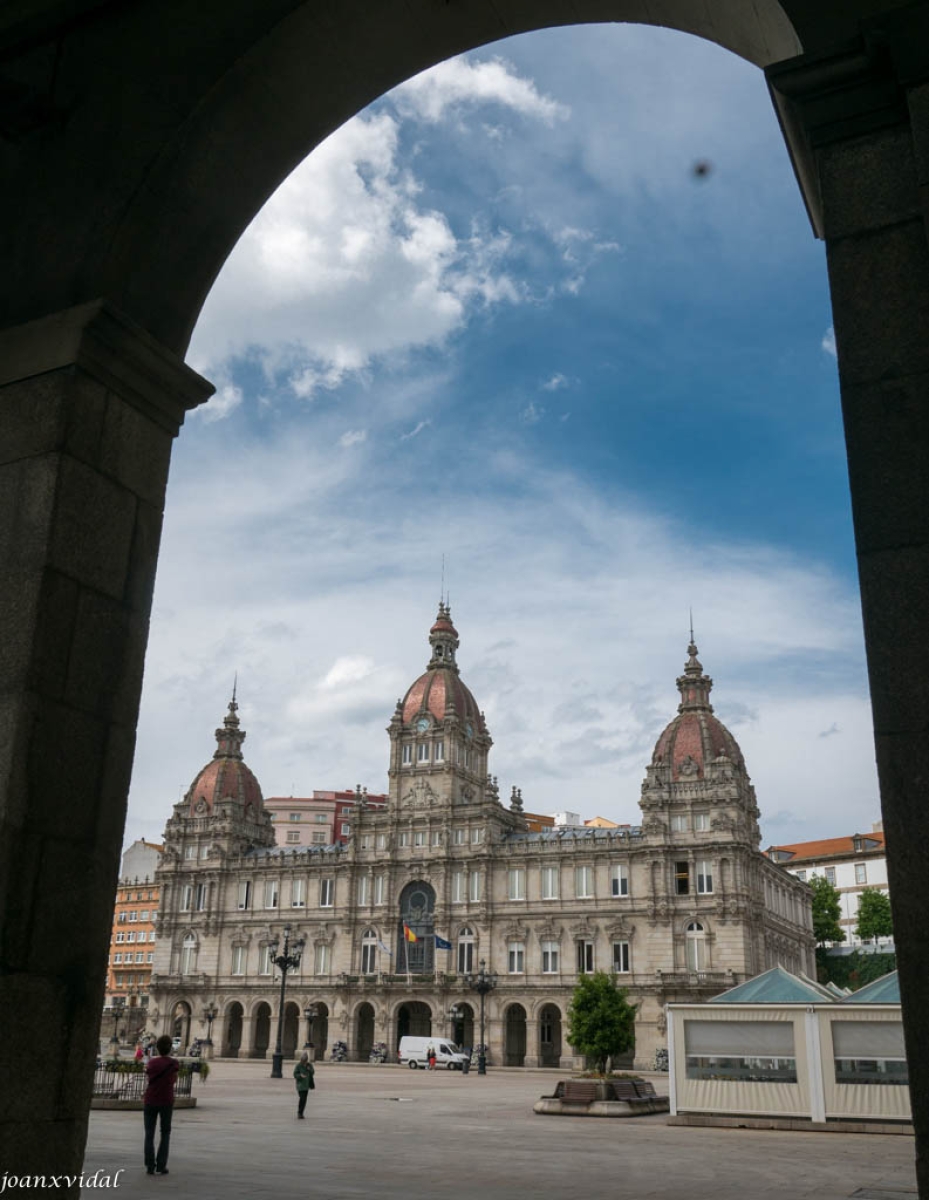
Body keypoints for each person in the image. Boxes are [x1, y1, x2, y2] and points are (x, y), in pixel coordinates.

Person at [143, 1035, 179, 1175]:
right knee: (165, 1133)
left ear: (157, 1048)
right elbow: (174, 1080)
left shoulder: (152, 1063)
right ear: (170, 1048)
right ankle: (161, 1165)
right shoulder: (174, 1063)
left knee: (149, 1134)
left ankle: (150, 1165)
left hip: (150, 1100)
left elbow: (148, 1076)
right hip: (166, 1100)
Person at [293, 1051, 315, 1118]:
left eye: (305, 1061)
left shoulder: (309, 1065)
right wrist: (300, 1075)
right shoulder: (298, 1065)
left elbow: (313, 1072)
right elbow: (295, 1074)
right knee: (302, 1098)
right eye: (303, 1061)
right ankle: (300, 1112)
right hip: (300, 1085)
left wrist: (309, 1070)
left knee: (304, 1099)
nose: (304, 1062)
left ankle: (301, 1113)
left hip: (306, 1085)